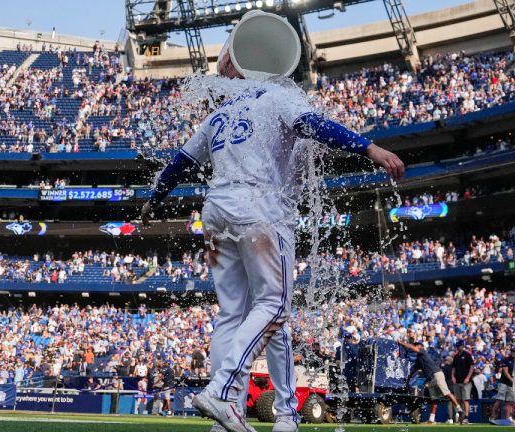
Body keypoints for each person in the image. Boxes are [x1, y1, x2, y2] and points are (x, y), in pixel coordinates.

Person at [141, 12, 404, 432]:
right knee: (275, 307)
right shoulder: (281, 97)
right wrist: (369, 147)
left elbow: (181, 162)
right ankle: (229, 394)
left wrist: (154, 198)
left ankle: (232, 414)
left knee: (235, 314)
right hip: (259, 210)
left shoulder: (220, 114)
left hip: (215, 212)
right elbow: (315, 125)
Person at [398, 340, 464, 424]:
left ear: (420, 346)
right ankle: (431, 419)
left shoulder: (423, 351)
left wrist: (402, 343)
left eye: (416, 345)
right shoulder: (418, 360)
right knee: (434, 399)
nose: (415, 346)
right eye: (415, 345)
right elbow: (412, 371)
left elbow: (411, 347)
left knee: (446, 393)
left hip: (437, 374)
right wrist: (406, 380)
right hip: (431, 378)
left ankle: (460, 410)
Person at [452, 340, 474, 424]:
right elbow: (453, 367)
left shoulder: (468, 355)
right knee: (459, 400)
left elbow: (472, 367)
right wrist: (452, 376)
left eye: (459, 346)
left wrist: (468, 377)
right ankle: (461, 416)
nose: (458, 347)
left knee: (465, 400)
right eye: (457, 346)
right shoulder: (456, 356)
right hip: (457, 381)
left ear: (462, 346)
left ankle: (466, 417)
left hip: (466, 382)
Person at [490, 350, 515, 421]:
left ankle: (508, 418)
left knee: (509, 402)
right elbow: (505, 372)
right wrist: (513, 381)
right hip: (503, 383)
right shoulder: (506, 360)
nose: (513, 353)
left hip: (511, 385)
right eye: (512, 352)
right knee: (499, 400)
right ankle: (492, 417)